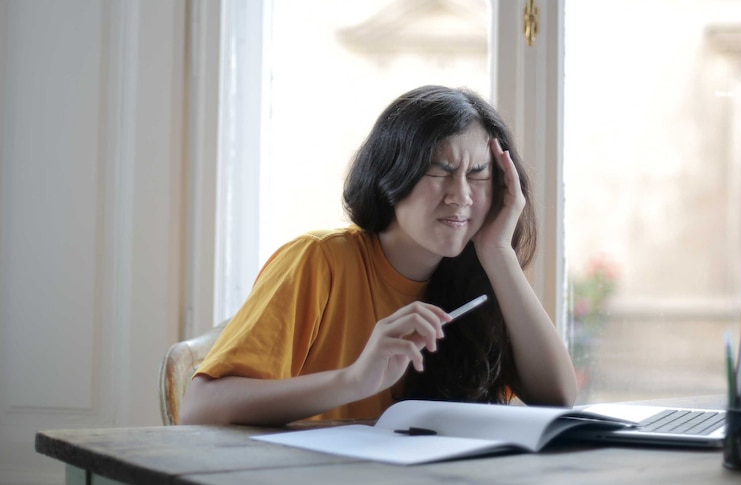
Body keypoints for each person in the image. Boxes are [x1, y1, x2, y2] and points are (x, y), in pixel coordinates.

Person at [180, 85, 578, 426]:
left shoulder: (481, 275)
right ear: (393, 173)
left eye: (478, 174)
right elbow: (199, 409)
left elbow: (557, 397)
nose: (461, 195)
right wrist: (354, 380)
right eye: (439, 171)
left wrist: (497, 251)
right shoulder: (319, 261)